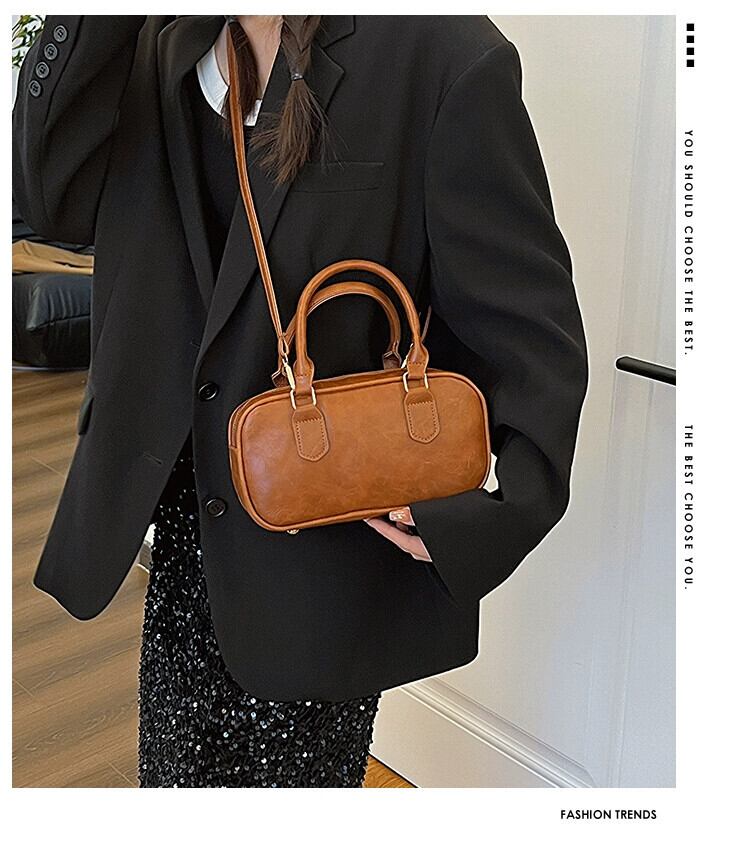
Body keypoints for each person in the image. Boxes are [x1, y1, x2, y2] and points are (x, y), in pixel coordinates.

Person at [12, 15, 589, 788]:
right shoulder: (162, 35)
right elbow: (51, 198)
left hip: (324, 557)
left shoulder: (442, 50)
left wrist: (489, 514)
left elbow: (531, 325)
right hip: (184, 545)